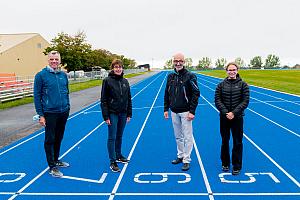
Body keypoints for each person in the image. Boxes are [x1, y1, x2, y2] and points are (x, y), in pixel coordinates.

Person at [34, 50, 70, 178]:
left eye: (56, 59)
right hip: (49, 113)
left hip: (63, 112)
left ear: (59, 60)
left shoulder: (63, 75)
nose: (54, 61)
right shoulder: (41, 76)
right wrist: (41, 114)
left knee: (59, 137)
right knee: (50, 139)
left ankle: (56, 159)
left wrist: (67, 107)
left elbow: (66, 92)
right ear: (48, 60)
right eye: (52, 59)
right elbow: (37, 96)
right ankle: (52, 166)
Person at [164, 53, 200, 171]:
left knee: (187, 137)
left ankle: (186, 159)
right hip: (174, 111)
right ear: (173, 62)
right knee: (178, 136)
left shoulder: (190, 76)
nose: (178, 63)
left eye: (180, 61)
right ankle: (180, 155)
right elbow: (166, 93)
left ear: (184, 62)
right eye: (176, 61)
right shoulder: (170, 76)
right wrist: (166, 108)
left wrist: (192, 111)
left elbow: (196, 93)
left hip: (186, 112)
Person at [215, 62, 250, 175]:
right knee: (225, 141)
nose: (232, 72)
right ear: (226, 71)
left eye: (234, 69)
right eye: (229, 70)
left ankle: (236, 165)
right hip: (224, 118)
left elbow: (245, 101)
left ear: (237, 70)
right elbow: (217, 101)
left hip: (238, 118)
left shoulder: (243, 85)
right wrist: (226, 113)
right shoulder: (220, 85)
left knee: (237, 142)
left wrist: (234, 113)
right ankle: (225, 163)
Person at [101, 59, 132, 172]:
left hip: (123, 113)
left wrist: (129, 113)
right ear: (113, 68)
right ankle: (112, 161)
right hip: (112, 113)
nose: (118, 69)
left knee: (119, 135)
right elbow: (103, 100)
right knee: (112, 137)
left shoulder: (125, 81)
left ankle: (119, 155)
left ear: (122, 68)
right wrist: (106, 116)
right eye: (116, 67)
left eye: (119, 67)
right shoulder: (107, 81)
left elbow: (128, 98)